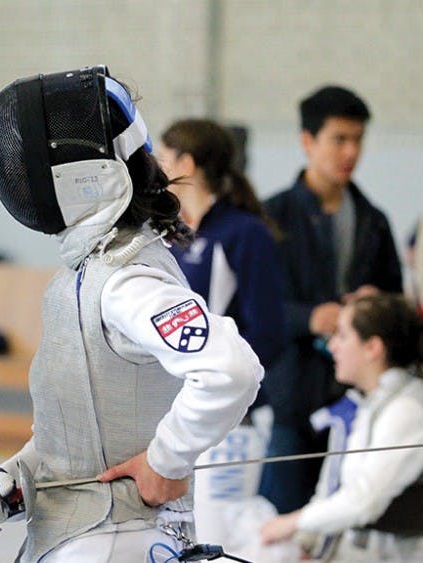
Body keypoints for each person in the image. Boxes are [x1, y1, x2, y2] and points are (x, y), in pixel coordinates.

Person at [0, 66, 262, 562]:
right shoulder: (88, 276)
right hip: (82, 540)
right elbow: (84, 431)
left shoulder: (126, 280)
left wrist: (168, 459)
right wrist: (18, 477)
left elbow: (231, 370)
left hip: (119, 541)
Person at [260, 85, 403, 514]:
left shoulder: (373, 221)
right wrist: (310, 318)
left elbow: (395, 303)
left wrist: (376, 304)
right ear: (308, 141)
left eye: (358, 139)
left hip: (355, 398)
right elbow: (250, 310)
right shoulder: (271, 219)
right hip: (292, 398)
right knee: (282, 523)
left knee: (347, 523)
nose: (351, 151)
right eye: (339, 139)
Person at [157, 119, 286, 546]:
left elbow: (268, 332)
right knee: (167, 535)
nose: (155, 169)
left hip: (233, 419)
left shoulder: (244, 234)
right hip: (171, 412)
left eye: (162, 158)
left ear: (186, 163)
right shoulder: (166, 233)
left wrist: (225, 388)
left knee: (217, 535)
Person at [260, 293, 423, 561]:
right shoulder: (364, 404)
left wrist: (293, 523)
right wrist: (307, 541)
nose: (332, 345)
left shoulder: (406, 410)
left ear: (373, 348)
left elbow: (362, 502)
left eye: (342, 336)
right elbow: (333, 489)